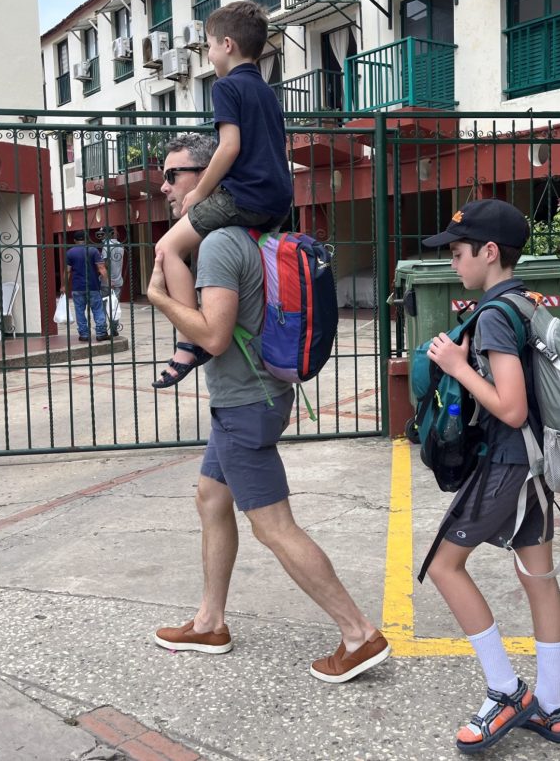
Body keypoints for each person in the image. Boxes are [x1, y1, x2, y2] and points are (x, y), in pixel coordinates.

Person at [146, 136, 390, 684]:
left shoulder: (219, 246)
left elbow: (212, 336)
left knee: (274, 526)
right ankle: (210, 622)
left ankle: (358, 634)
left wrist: (159, 298)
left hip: (245, 404)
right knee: (211, 498)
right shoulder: (246, 235)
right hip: (252, 397)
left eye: (173, 174)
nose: (164, 185)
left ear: (207, 176)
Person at [421, 198, 560, 753]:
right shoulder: (528, 301)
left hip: (509, 460)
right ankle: (551, 708)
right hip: (537, 462)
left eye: (459, 253)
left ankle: (506, 691)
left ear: (490, 253)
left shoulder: (491, 315)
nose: (454, 264)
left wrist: (457, 367)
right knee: (538, 577)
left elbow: (509, 407)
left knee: (443, 565)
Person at [149, 0, 293, 389]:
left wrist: (198, 191)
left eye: (209, 46)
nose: (208, 54)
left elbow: (228, 147)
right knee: (200, 242)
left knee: (167, 249)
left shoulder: (227, 86)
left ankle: (187, 343)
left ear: (227, 45)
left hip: (244, 196)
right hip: (277, 200)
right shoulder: (265, 91)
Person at [64, 230, 110, 342]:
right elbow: (101, 268)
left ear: (74, 240)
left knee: (79, 310)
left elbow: (67, 271)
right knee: (98, 309)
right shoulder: (93, 250)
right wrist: (108, 282)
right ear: (86, 238)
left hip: (77, 287)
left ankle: (84, 334)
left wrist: (63, 286)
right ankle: (101, 333)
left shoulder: (70, 253)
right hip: (93, 286)